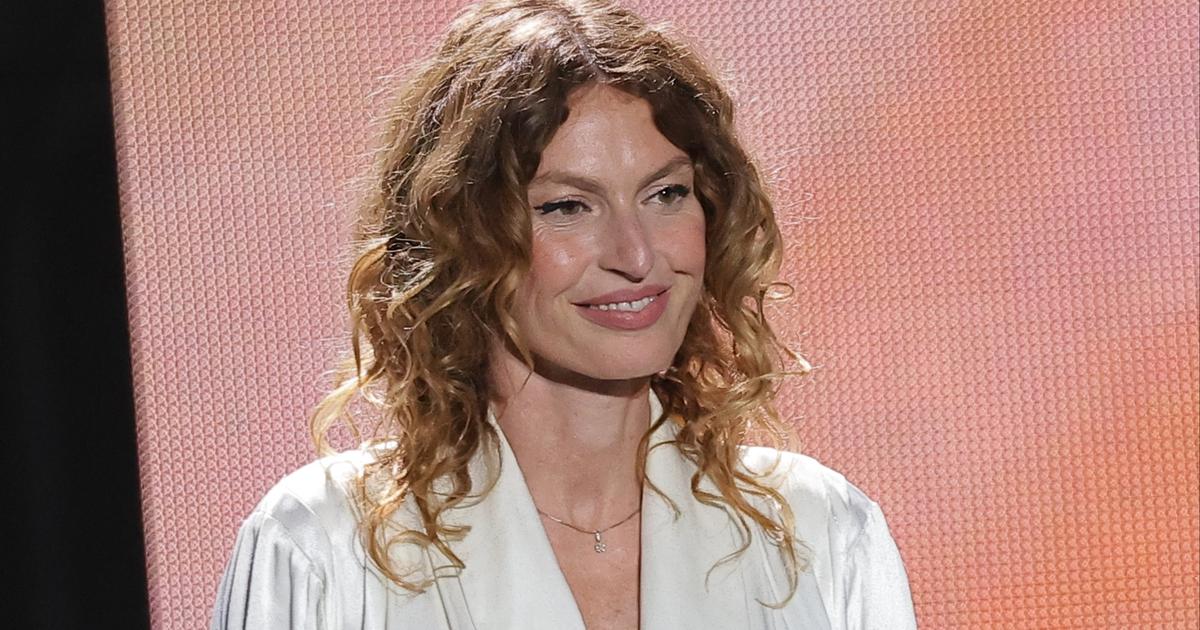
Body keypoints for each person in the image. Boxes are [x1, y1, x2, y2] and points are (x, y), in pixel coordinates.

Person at [211, 0, 918, 628]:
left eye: (666, 194)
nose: (636, 256)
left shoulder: (820, 533)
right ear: (462, 236)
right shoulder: (323, 547)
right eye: (568, 206)